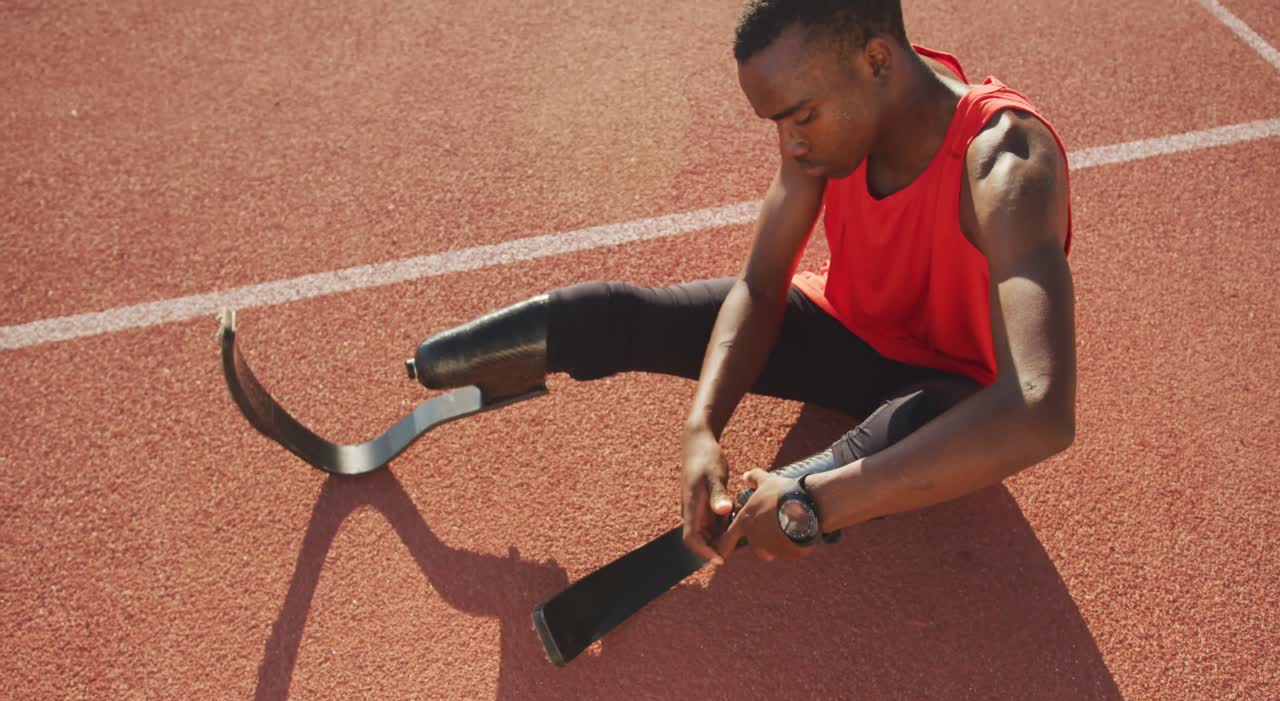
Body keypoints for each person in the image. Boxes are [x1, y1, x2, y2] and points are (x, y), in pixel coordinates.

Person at [409, 0, 1075, 568]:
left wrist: (822, 501)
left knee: (846, 462)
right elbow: (760, 285)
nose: (792, 141)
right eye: (776, 122)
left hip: (949, 394)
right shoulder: (836, 117)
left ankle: (793, 494)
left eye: (800, 115)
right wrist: (702, 427)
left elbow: (1039, 408)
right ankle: (458, 361)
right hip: (842, 323)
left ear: (876, 61)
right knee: (627, 316)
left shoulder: (1006, 164)